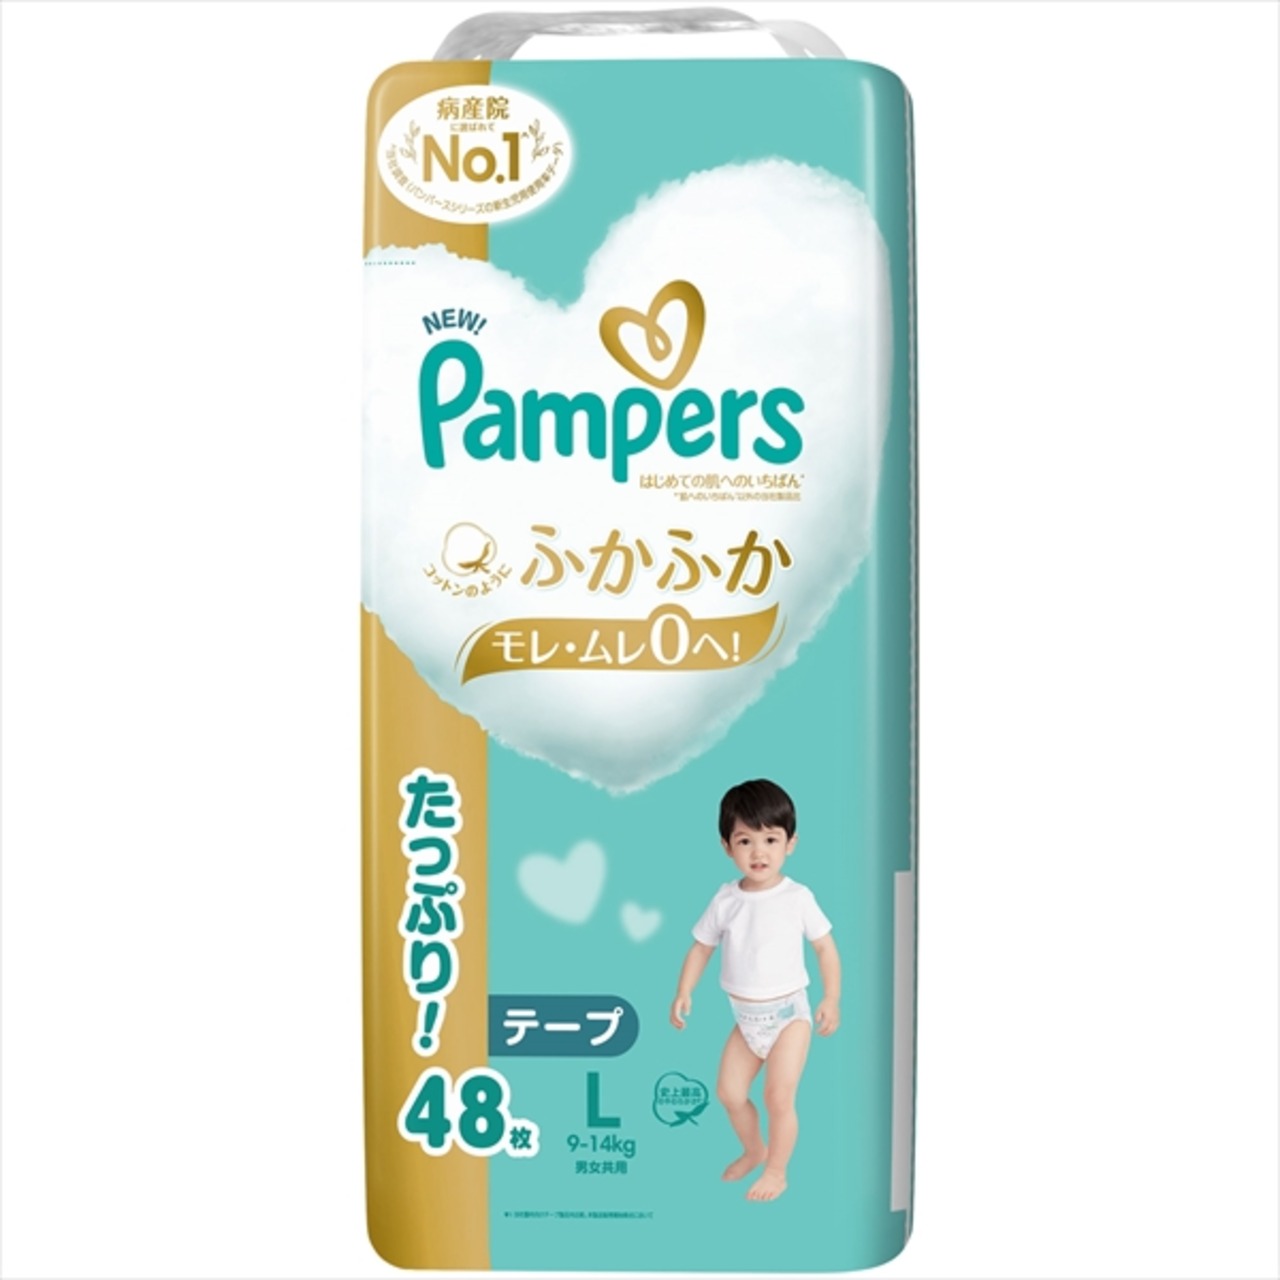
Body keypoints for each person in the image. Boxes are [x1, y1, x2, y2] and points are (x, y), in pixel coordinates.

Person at [670, 778, 841, 1202]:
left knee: (778, 1097)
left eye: (770, 839)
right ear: (727, 847)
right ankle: (754, 1150)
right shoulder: (726, 900)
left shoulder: (797, 897)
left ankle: (777, 1172)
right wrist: (684, 990)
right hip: (745, 1021)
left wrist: (831, 997)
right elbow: (701, 947)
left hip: (789, 1017)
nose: (758, 852)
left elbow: (825, 949)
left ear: (790, 843)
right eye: (745, 840)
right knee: (729, 1094)